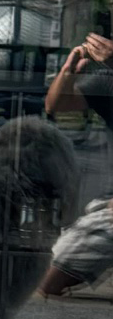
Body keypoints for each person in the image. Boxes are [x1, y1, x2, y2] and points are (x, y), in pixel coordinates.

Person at [39, 29, 113, 300]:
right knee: (45, 276)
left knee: (45, 282)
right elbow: (56, 105)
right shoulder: (106, 79)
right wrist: (67, 73)